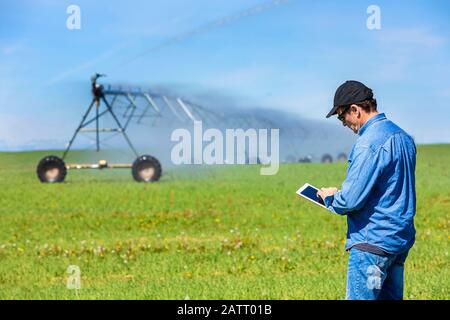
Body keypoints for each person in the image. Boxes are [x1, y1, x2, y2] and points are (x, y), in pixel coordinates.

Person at [317, 80, 416, 300]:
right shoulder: (403, 137)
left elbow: (350, 201)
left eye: (342, 117)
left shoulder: (368, 143)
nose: (343, 123)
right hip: (398, 241)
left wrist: (331, 198)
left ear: (355, 109)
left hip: (372, 245)